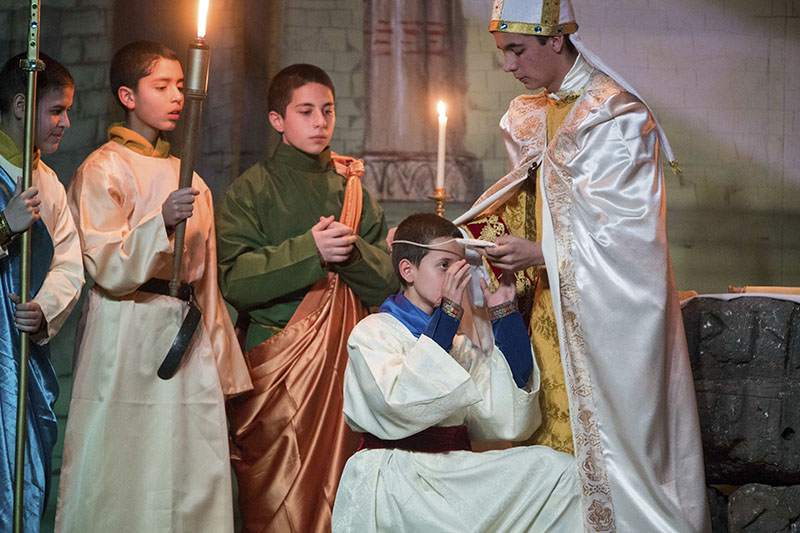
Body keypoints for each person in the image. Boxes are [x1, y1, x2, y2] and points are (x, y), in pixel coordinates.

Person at [453, 1, 711, 531]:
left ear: (555, 39)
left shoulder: (617, 117)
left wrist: (541, 252)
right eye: (502, 52)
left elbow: (632, 242)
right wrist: (484, 236)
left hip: (603, 323)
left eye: (517, 50)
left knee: (610, 456)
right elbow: (534, 202)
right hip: (542, 313)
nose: (508, 66)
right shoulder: (527, 117)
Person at [54, 41, 251, 532]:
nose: (176, 96)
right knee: (125, 463)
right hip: (125, 334)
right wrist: (159, 222)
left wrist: (224, 369)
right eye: (161, 86)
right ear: (128, 95)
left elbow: (206, 283)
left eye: (181, 85)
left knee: (189, 467)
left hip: (186, 338)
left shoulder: (192, 178)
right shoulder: (103, 168)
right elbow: (105, 264)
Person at [216, 63, 397, 532]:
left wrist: (350, 253)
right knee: (276, 505)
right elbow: (234, 279)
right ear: (277, 120)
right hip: (277, 367)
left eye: (328, 111)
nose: (320, 122)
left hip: (346, 366)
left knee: (345, 495)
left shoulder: (352, 189)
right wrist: (309, 251)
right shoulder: (250, 190)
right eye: (306, 111)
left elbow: (389, 280)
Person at [331, 213, 581, 532]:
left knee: (559, 473)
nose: (456, 276)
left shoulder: (458, 345)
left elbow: (504, 413)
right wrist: (447, 315)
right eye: (444, 265)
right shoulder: (374, 332)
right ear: (407, 270)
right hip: (397, 475)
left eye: (460, 266)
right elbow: (398, 404)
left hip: (451, 472)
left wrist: (505, 315)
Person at [0, 52, 83, 532]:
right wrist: (4, 226)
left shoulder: (48, 185)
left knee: (25, 475)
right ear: (20, 105)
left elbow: (69, 263)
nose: (65, 123)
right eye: (56, 111)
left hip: (23, 356)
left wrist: (43, 308)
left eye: (67, 111)